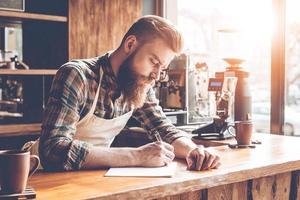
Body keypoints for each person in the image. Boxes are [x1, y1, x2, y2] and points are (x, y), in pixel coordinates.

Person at [38, 15, 221, 171]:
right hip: (43, 178)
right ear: (130, 44)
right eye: (153, 62)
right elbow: (53, 150)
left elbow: (162, 128)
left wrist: (194, 150)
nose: (156, 75)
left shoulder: (140, 84)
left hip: (89, 178)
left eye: (162, 68)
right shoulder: (77, 75)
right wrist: (136, 156)